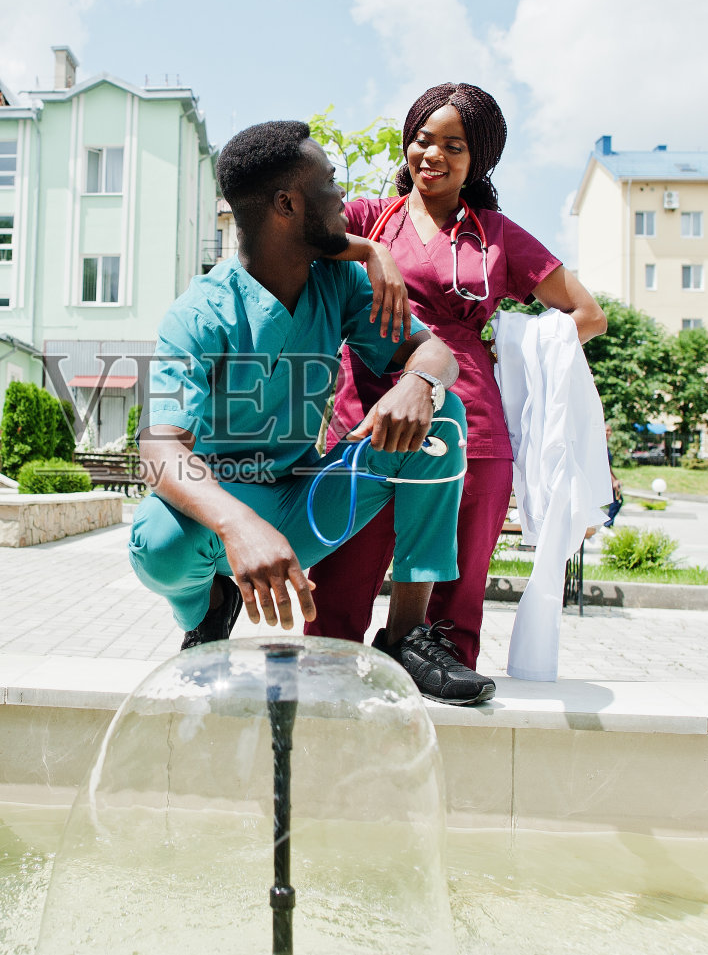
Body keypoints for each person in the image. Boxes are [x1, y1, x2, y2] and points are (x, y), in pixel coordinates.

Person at [128, 119, 494, 705]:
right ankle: (210, 605)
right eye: (330, 182)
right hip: (222, 506)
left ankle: (403, 636)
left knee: (440, 417)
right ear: (287, 203)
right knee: (158, 544)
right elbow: (159, 450)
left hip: (305, 499)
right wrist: (238, 525)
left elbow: (437, 354)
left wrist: (418, 379)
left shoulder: (339, 283)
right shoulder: (198, 315)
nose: (343, 195)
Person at [305, 83, 606, 690]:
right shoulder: (369, 217)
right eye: (422, 139)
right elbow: (304, 237)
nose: (432, 155)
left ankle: (435, 706)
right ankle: (329, 696)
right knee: (341, 584)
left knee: (454, 597)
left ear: (477, 160)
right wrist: (372, 253)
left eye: (454, 145)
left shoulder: (495, 235)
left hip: (470, 425)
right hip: (366, 414)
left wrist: (514, 355)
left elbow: (588, 315)